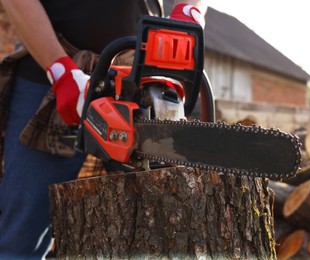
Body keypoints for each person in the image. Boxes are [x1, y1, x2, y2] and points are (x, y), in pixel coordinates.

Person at [0, 0, 207, 258]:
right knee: (21, 240)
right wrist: (60, 69)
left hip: (136, 79)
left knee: (160, 230)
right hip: (47, 73)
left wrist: (190, 9)